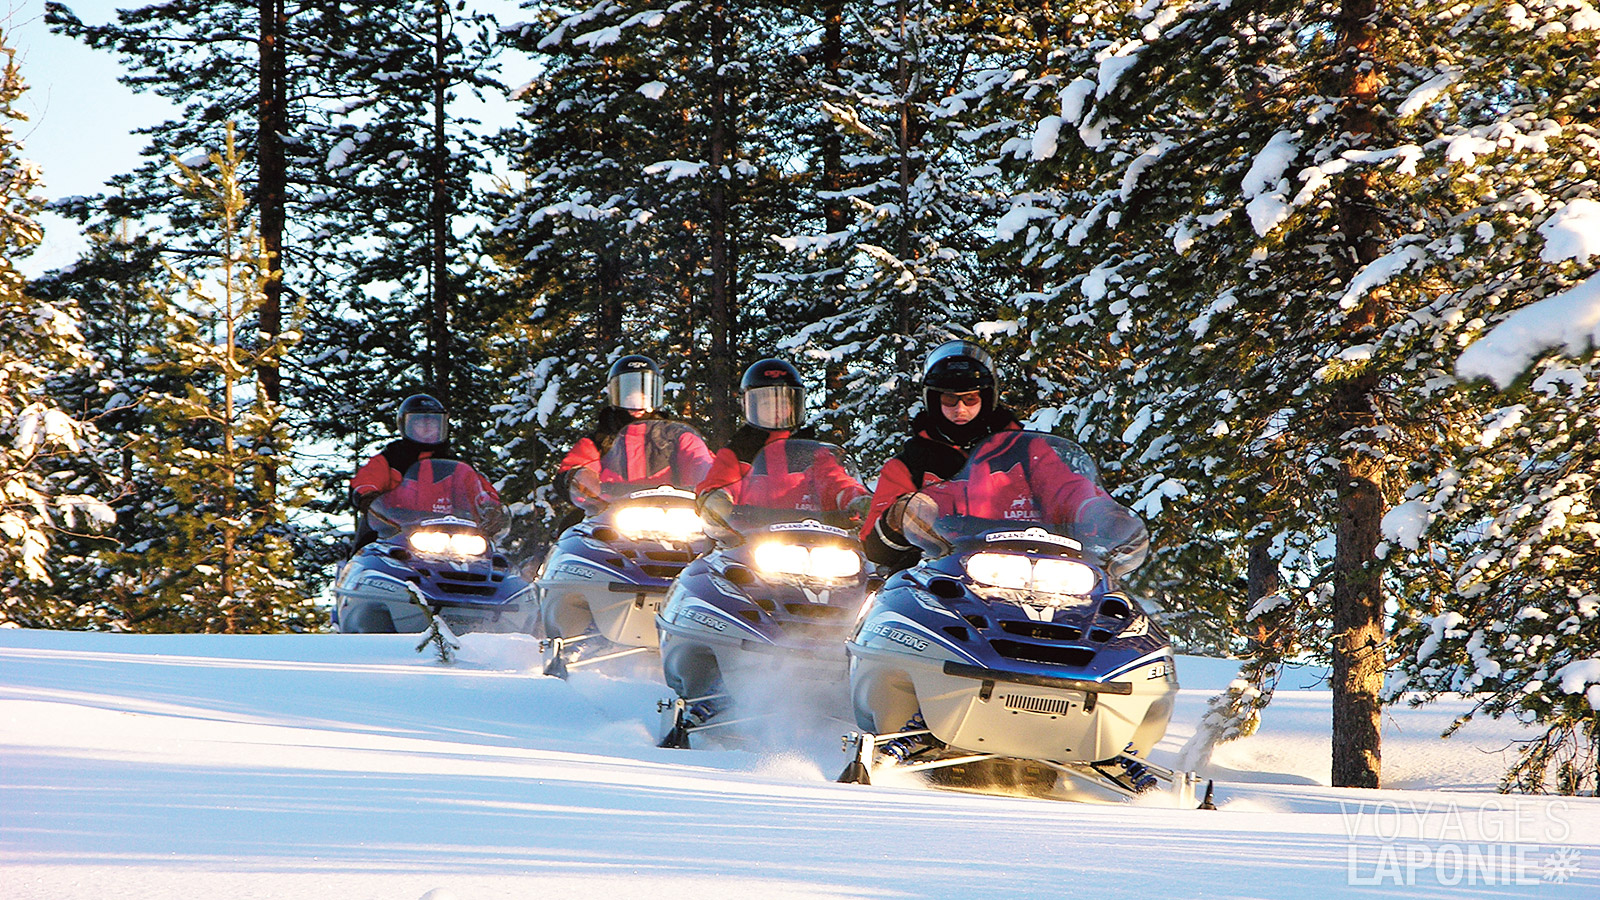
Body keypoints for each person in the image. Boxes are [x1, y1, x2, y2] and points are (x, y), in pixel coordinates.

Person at [696, 358, 869, 529]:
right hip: (751, 538)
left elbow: (834, 480)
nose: (776, 409)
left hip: (811, 535)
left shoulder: (812, 451)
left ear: (795, 406)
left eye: (784, 403)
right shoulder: (739, 451)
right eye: (766, 403)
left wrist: (855, 498)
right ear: (750, 405)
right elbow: (723, 481)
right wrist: (717, 498)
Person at [557, 355, 713, 516]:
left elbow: (699, 459)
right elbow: (573, 470)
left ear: (655, 395)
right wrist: (579, 480)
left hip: (675, 515)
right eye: (629, 397)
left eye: (643, 397)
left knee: (717, 536)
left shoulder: (678, 436)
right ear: (616, 395)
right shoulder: (598, 442)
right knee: (572, 530)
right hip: (612, 516)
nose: (637, 404)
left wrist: (716, 484)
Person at [349, 393, 504, 549]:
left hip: (451, 540)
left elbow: (479, 489)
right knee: (369, 556)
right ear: (406, 425)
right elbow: (367, 480)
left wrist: (490, 508)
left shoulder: (456, 466)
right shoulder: (390, 459)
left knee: (493, 561)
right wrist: (367, 495)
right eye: (420, 422)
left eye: (433, 422)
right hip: (391, 535)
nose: (427, 427)